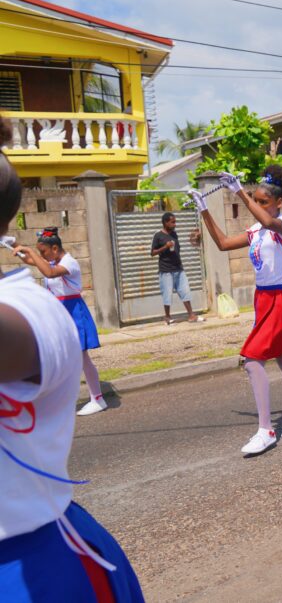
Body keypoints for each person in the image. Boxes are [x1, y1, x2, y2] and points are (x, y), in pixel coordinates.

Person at [0, 144, 145, 600]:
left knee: (85, 361)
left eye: (46, 245)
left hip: (69, 310)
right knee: (80, 362)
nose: (43, 250)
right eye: (41, 246)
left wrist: (35, 261)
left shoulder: (56, 275)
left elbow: (54, 274)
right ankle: (95, 395)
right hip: (59, 312)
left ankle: (98, 397)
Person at [189, 166, 282, 455]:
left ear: (278, 203)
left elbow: (269, 223)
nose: (259, 207)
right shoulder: (256, 230)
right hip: (264, 298)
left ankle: (266, 430)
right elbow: (223, 244)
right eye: (256, 201)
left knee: (251, 360)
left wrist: (239, 192)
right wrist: (204, 211)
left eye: (264, 202)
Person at [15, 227, 108, 416]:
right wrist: (15, 246)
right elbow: (30, 261)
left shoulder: (70, 263)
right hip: (59, 312)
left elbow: (48, 273)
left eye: (44, 252)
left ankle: (98, 399)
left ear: (55, 248)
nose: (42, 256)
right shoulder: (52, 260)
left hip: (73, 312)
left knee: (81, 358)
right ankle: (55, 400)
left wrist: (32, 252)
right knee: (56, 358)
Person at [151, 212, 203, 325]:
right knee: (167, 294)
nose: (175, 224)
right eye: (172, 222)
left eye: (175, 222)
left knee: (185, 291)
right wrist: (165, 246)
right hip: (166, 270)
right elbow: (153, 252)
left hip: (178, 269)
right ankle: (167, 317)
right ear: (166, 222)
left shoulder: (174, 234)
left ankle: (191, 315)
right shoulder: (158, 235)